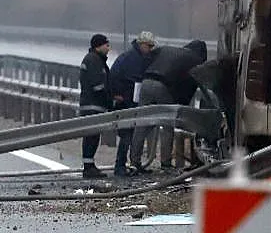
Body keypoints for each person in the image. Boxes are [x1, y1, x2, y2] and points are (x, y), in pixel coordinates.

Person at [131, 40, 208, 170]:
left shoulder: (167, 49)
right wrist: (181, 106)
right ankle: (165, 163)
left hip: (146, 82)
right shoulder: (196, 60)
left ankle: (134, 162)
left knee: (141, 124)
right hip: (163, 86)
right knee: (167, 125)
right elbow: (190, 86)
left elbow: (148, 57)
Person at [109, 31, 157, 177]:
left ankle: (130, 164)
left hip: (129, 100)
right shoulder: (132, 58)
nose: (149, 49)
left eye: (151, 46)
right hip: (126, 101)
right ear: (141, 44)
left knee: (131, 134)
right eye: (148, 46)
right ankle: (120, 166)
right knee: (127, 135)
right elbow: (132, 79)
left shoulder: (136, 57)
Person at [79, 33, 114, 179]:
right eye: (106, 45)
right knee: (91, 136)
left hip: (91, 104)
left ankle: (89, 165)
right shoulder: (94, 60)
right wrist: (109, 100)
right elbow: (98, 86)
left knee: (92, 136)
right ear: (98, 46)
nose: (108, 48)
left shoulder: (94, 59)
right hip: (93, 105)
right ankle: (88, 167)